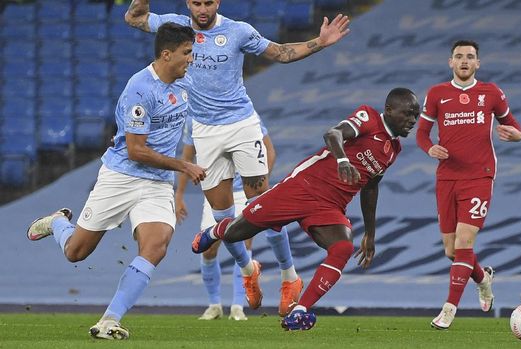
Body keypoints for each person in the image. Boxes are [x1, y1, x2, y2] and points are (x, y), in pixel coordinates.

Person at [125, 0, 350, 316]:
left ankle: (289, 276)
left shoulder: (238, 31)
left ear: (218, 2)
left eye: (208, 2)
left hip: (242, 125)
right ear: (188, 3)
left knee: (266, 206)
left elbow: (281, 53)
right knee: (222, 219)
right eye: (196, 2)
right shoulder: (174, 26)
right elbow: (133, 18)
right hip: (204, 131)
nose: (202, 9)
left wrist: (319, 43)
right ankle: (248, 269)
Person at [26, 23, 204, 340]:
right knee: (76, 253)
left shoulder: (184, 84)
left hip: (156, 183)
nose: (191, 59)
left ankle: (110, 319)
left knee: (156, 246)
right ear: (167, 54)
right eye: (187, 53)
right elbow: (136, 151)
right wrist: (183, 165)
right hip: (121, 176)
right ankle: (56, 224)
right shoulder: (139, 89)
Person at [192, 87, 420, 331]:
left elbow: (371, 188)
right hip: (302, 187)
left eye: (416, 116)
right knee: (236, 233)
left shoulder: (393, 151)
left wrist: (370, 234)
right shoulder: (369, 118)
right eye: (408, 114)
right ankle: (215, 231)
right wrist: (342, 160)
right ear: (389, 110)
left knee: (342, 247)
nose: (412, 121)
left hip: (329, 208)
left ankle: (299, 311)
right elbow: (332, 134)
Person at [416, 40, 521, 330]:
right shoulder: (437, 93)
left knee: (465, 243)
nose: (464, 61)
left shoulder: (491, 93)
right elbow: (422, 134)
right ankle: (483, 278)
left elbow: (516, 128)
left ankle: (449, 309)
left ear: (478, 63)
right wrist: (429, 149)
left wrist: (513, 135)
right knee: (452, 251)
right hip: (447, 177)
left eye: (470, 57)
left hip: (479, 175)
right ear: (450, 62)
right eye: (459, 56)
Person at [175, 116, 275, 321]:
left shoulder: (244, 112)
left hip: (241, 191)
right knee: (209, 249)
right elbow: (187, 158)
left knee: (243, 244)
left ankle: (238, 306)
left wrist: (259, 183)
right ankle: (214, 305)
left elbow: (269, 150)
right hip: (215, 191)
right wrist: (179, 195)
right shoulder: (195, 118)